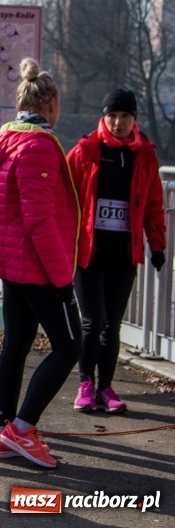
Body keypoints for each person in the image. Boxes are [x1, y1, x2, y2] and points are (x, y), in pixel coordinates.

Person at [0, 58, 82, 469]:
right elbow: (40, 221)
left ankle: (6, 428)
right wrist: (62, 279)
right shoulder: (39, 145)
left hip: (13, 264)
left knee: (17, 343)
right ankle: (21, 429)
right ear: (51, 102)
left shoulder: (7, 139)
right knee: (70, 345)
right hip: (38, 267)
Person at [67, 88, 167, 413]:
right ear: (103, 116)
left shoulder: (144, 155)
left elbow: (154, 204)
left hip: (124, 254)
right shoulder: (85, 151)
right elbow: (64, 198)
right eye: (113, 115)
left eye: (125, 116)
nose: (118, 122)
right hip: (89, 253)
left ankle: (105, 388)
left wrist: (158, 244)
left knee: (113, 324)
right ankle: (84, 384)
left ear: (134, 119)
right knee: (91, 322)